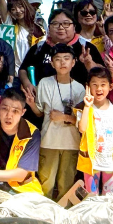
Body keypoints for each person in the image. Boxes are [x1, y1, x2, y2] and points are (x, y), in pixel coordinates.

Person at [22, 43, 86, 201]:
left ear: (73, 62)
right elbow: (40, 113)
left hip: (71, 143)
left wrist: (63, 117)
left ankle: (63, 219)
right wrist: (31, 104)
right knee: (46, 184)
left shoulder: (80, 89)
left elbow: (83, 121)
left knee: (66, 184)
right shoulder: (45, 83)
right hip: (48, 141)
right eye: (57, 59)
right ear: (51, 63)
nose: (62, 62)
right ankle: (43, 217)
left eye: (66, 58)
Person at [77, 68, 113, 196]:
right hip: (91, 163)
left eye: (103, 84)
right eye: (94, 84)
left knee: (109, 197)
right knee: (92, 196)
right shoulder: (84, 108)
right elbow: (82, 129)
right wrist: (86, 106)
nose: (99, 89)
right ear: (88, 87)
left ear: (110, 86)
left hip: (111, 163)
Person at [19, 8, 91, 88]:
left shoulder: (85, 46)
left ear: (74, 27)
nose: (61, 27)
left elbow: (101, 72)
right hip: (43, 97)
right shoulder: (39, 48)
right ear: (49, 28)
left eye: (66, 23)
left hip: (80, 97)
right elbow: (23, 69)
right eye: (55, 24)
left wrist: (89, 64)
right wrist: (28, 84)